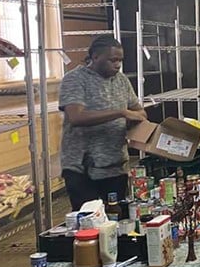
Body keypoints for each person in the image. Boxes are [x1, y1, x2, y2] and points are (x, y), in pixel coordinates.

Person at [59, 35, 146, 210]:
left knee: (117, 219)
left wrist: (134, 118)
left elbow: (139, 111)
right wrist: (121, 112)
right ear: (95, 57)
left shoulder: (121, 80)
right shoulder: (75, 79)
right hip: (83, 167)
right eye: (113, 60)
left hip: (115, 165)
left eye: (120, 60)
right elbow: (76, 117)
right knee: (88, 221)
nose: (118, 65)